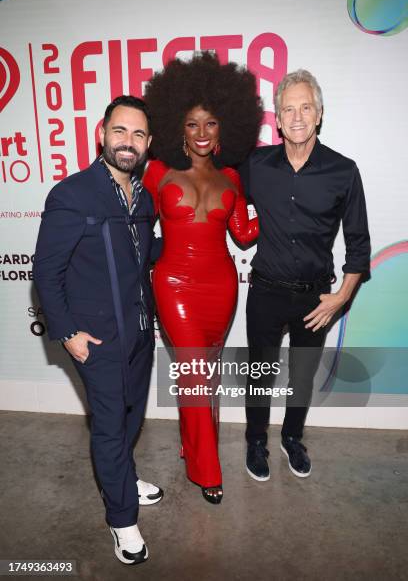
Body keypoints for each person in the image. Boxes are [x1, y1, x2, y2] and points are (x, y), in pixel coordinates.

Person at [33, 96, 163, 566]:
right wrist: (68, 333)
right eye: (120, 132)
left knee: (130, 417)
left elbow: (143, 255)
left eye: (138, 135)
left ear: (148, 144)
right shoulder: (72, 194)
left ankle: (122, 477)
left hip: (139, 332)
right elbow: (46, 273)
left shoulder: (143, 197)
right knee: (110, 427)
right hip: (96, 340)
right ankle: (121, 517)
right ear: (101, 135)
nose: (128, 142)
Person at [143, 52, 263, 504]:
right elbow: (135, 222)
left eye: (210, 123)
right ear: (178, 127)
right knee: (195, 373)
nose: (201, 133)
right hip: (173, 285)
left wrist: (265, 199)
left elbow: (245, 234)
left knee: (203, 376)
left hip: (221, 288)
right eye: (192, 124)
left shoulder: (232, 178)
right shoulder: (157, 172)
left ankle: (193, 444)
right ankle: (206, 472)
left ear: (224, 127)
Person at [240, 69, 370, 481]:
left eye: (305, 107)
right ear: (276, 119)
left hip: (317, 298)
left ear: (319, 115)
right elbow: (214, 190)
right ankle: (256, 441)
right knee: (259, 373)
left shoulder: (343, 171)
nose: (297, 117)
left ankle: (292, 437)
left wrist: (340, 298)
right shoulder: (255, 165)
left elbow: (359, 244)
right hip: (265, 292)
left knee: (301, 375)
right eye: (288, 109)